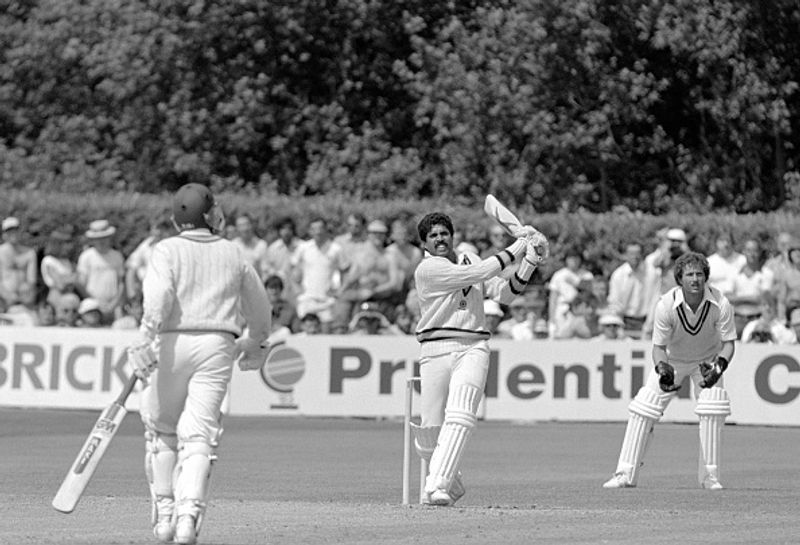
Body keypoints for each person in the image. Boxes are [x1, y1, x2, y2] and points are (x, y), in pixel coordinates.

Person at [126, 183, 271, 545]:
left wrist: (144, 337)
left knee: (162, 432)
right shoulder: (232, 251)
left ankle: (164, 515)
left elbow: (158, 296)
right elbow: (260, 307)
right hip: (217, 344)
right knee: (199, 436)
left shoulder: (166, 249)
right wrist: (254, 341)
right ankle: (188, 519)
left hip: (173, 340)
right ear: (208, 214)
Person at [410, 211, 548, 506]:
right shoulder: (427, 269)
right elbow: (477, 274)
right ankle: (451, 480)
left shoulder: (470, 258)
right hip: (434, 347)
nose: (439, 239)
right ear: (425, 243)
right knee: (428, 434)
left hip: (473, 345)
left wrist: (530, 262)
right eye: (433, 235)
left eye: (444, 233)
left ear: (452, 235)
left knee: (461, 415)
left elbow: (505, 294)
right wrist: (520, 245)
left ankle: (436, 486)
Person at [602, 252, 736, 490]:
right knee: (643, 409)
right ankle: (625, 473)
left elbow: (728, 345)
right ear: (680, 279)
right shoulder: (666, 305)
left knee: (712, 409)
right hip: (673, 360)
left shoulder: (721, 303)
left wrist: (719, 366)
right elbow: (659, 348)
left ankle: (709, 477)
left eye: (699, 274)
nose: (695, 280)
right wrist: (662, 369)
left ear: (706, 277)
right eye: (689, 275)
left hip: (706, 362)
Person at [291, 217, 348, 333]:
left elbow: (345, 272)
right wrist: (297, 289)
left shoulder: (336, 249)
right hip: (307, 299)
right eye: (314, 229)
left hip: (326, 301)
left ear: (326, 230)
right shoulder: (303, 248)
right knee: (303, 334)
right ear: (310, 231)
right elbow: (293, 270)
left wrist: (339, 292)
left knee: (325, 336)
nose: (318, 232)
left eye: (321, 228)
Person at [76, 219, 126, 324]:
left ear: (109, 238)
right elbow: (81, 284)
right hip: (92, 305)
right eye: (97, 238)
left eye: (104, 238)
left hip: (114, 304)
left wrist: (114, 303)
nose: (101, 241)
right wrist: (96, 302)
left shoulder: (117, 256)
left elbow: (121, 282)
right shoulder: (86, 256)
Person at [607, 242, 653, 339]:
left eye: (637, 253)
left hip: (647, 322)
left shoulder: (651, 273)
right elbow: (614, 303)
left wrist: (649, 325)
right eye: (631, 253)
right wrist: (618, 325)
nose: (635, 257)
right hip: (624, 322)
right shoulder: (618, 275)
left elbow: (655, 300)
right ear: (625, 255)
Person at [729, 238, 773, 338]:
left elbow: (764, 299)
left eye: (755, 251)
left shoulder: (767, 274)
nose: (752, 254)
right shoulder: (734, 273)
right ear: (744, 252)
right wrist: (751, 298)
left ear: (759, 253)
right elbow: (728, 297)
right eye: (748, 250)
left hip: (757, 319)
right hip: (736, 319)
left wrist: (738, 299)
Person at [125, 219, 173, 301]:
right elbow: (131, 268)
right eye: (156, 228)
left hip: (169, 291)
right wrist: (131, 291)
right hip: (148, 291)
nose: (159, 232)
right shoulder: (145, 246)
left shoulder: (173, 245)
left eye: (162, 228)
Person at [260, 216, 302, 303]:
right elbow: (266, 269)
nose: (286, 232)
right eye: (283, 229)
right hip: (280, 291)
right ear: (279, 231)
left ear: (293, 231)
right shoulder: (273, 248)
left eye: (289, 229)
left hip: (299, 291)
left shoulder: (302, 247)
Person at [0, 216, 38, 308]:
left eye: (15, 230)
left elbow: (31, 280)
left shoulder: (30, 253)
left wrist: (26, 298)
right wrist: (7, 296)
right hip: (3, 299)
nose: (13, 234)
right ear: (4, 234)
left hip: (25, 298)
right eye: (9, 231)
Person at [40, 225, 80, 307]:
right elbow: (60, 285)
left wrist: (66, 279)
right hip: (56, 298)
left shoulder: (67, 261)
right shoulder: (49, 260)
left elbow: (77, 279)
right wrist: (70, 278)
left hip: (70, 299)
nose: (70, 246)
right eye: (66, 243)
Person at [706, 233, 746, 299]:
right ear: (716, 242)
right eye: (722, 240)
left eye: (728, 241)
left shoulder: (742, 260)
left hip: (739, 302)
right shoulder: (709, 262)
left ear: (732, 243)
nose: (725, 244)